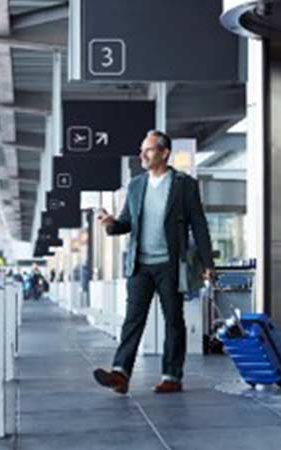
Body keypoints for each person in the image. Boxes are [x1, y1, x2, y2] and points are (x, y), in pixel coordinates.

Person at [93, 130, 215, 395]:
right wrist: (111, 224)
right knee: (133, 319)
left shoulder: (184, 184)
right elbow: (126, 223)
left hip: (170, 264)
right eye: (142, 150)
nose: (142, 155)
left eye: (148, 150)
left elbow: (199, 226)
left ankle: (172, 376)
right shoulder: (136, 185)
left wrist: (208, 264)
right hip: (140, 265)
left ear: (164, 153)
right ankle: (120, 373)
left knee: (173, 320)